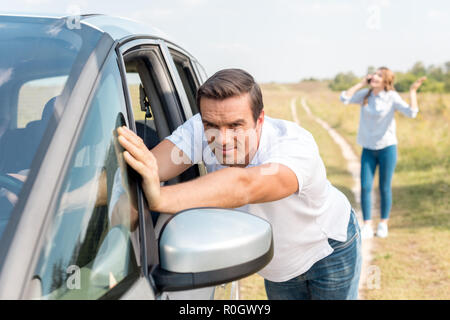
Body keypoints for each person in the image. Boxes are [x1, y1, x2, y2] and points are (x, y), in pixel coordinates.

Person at [117, 68, 361, 300]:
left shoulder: (294, 145)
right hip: (275, 263)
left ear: (260, 119)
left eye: (235, 126)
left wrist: (159, 198)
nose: (222, 139)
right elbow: (144, 170)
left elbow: (244, 185)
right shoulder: (200, 128)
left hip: (327, 250)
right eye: (211, 126)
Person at [340, 67, 426, 239]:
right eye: (374, 74)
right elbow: (344, 98)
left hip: (387, 148)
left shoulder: (391, 97)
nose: (375, 76)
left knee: (384, 187)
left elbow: (412, 113)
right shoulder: (365, 95)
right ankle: (366, 224)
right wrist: (362, 83)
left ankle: (383, 224)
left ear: (386, 80)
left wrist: (412, 91)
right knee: (365, 186)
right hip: (368, 149)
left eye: (379, 75)